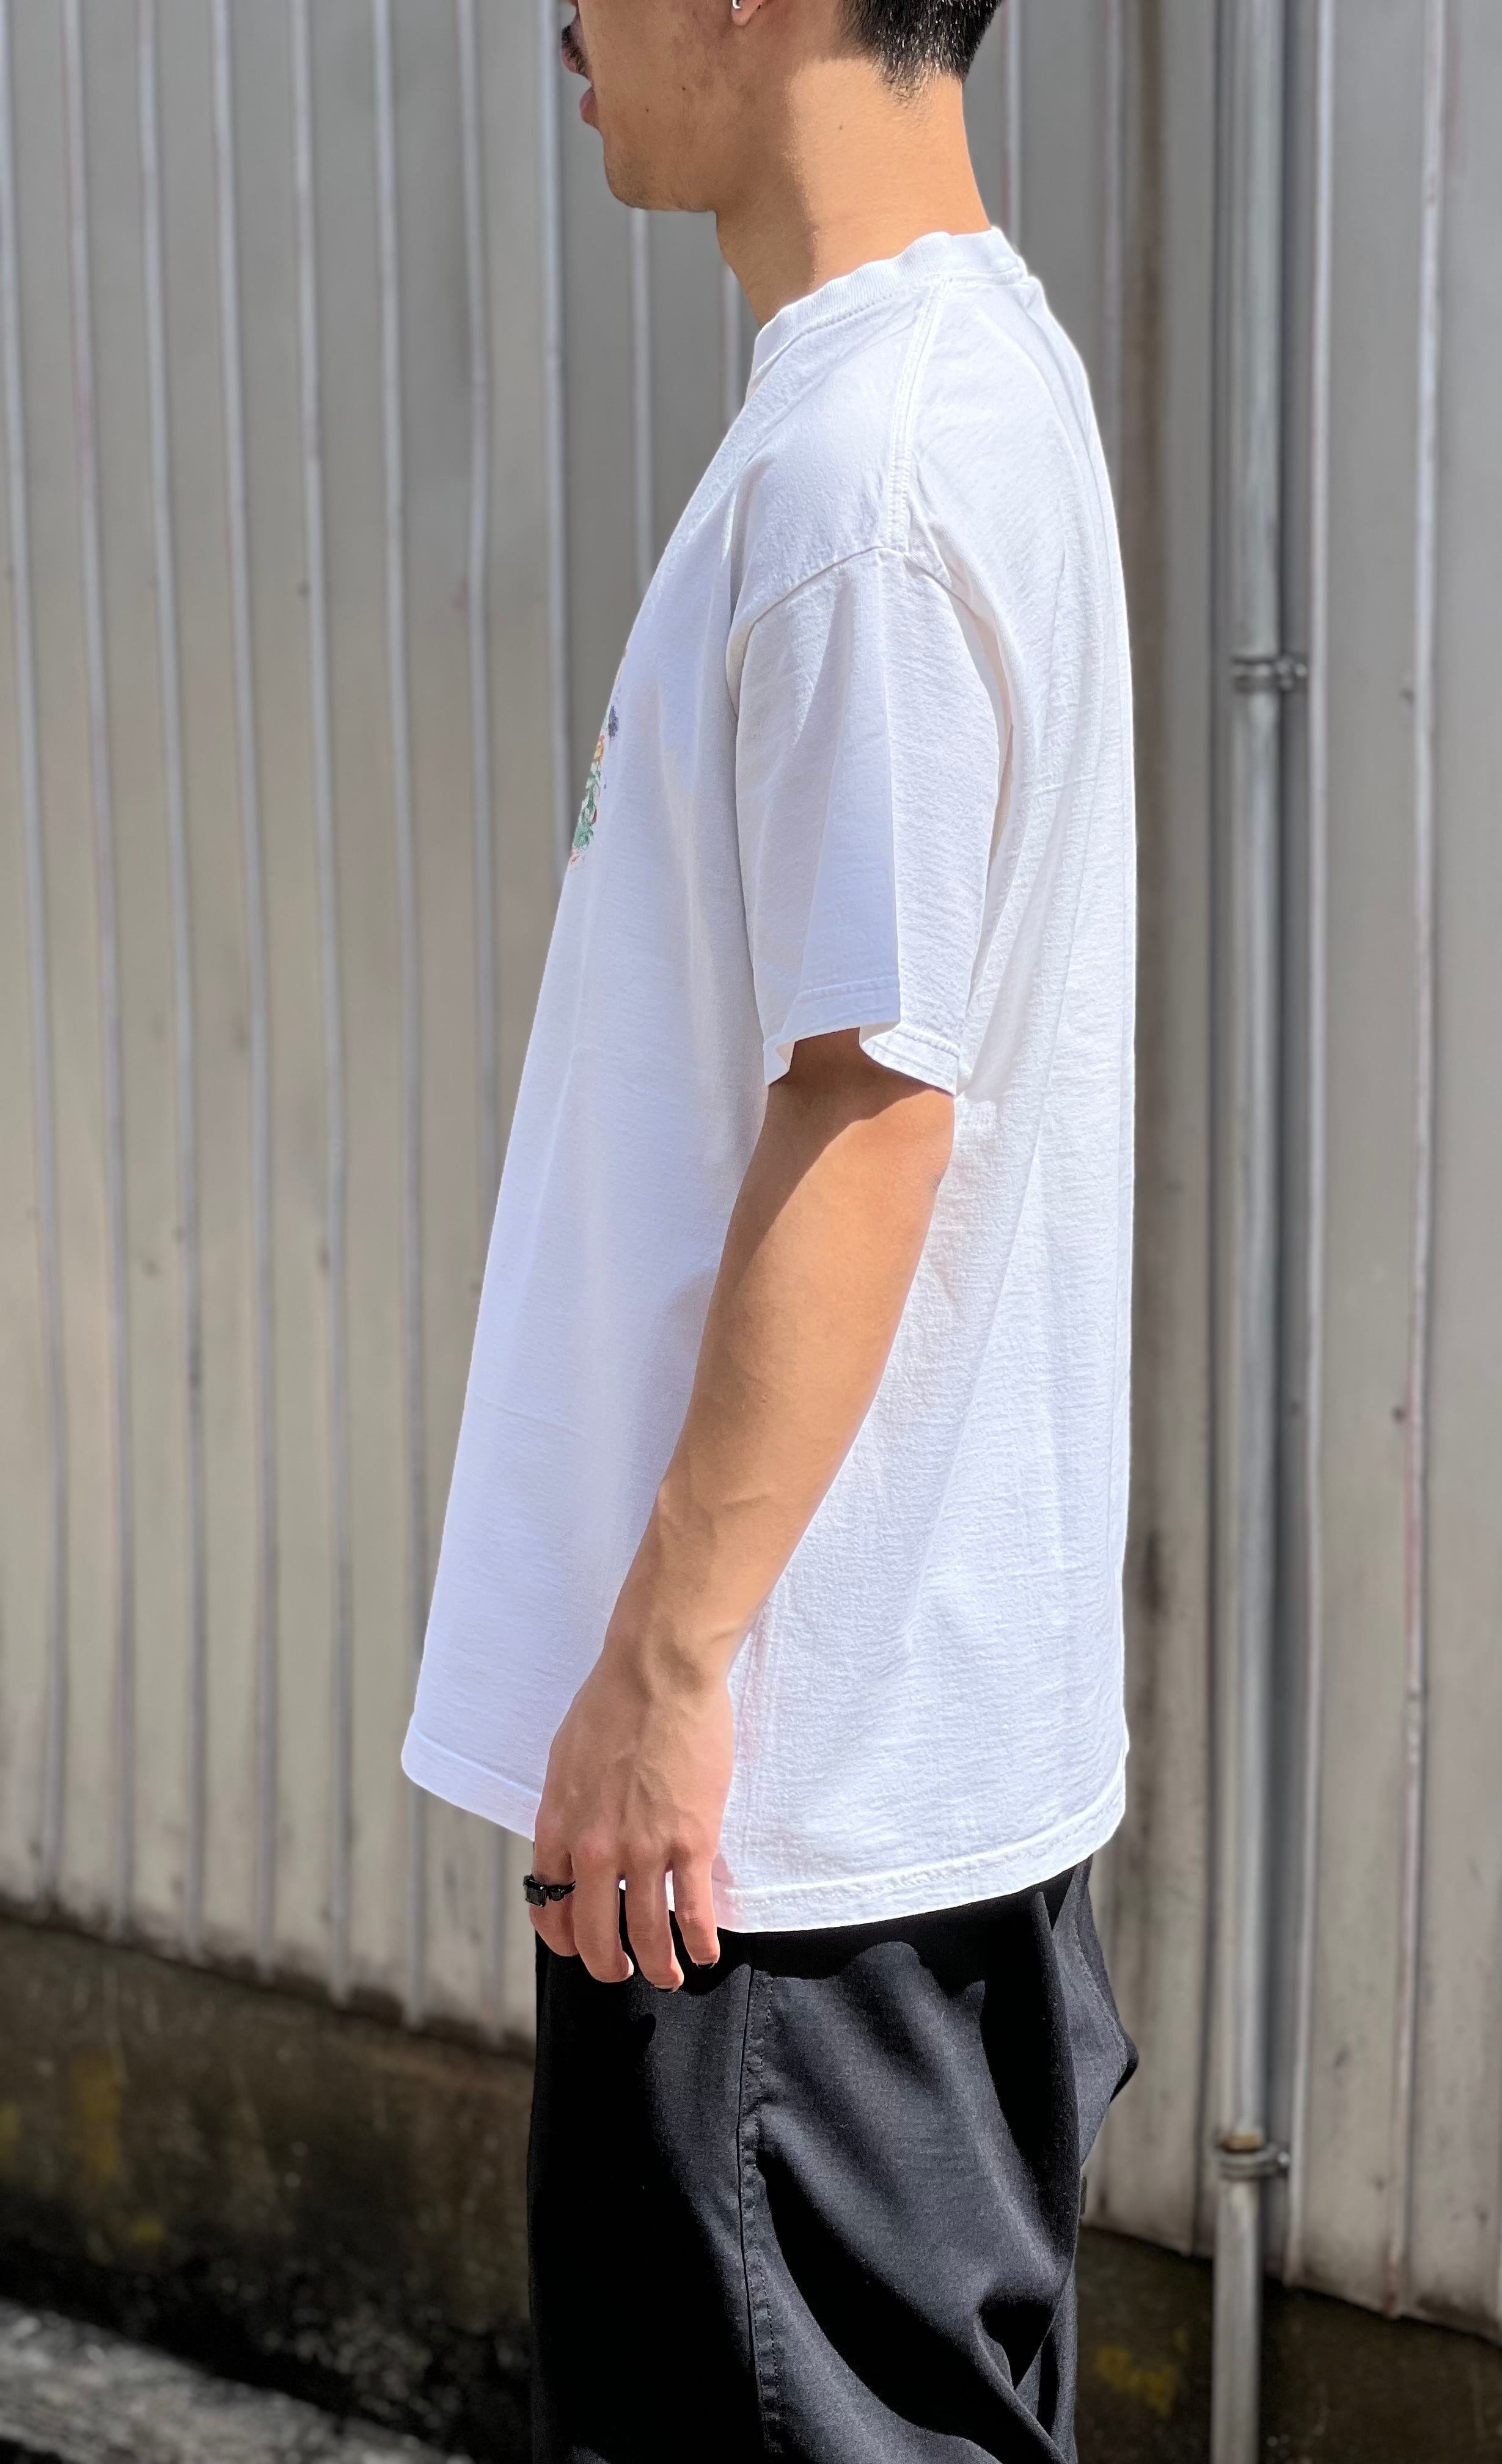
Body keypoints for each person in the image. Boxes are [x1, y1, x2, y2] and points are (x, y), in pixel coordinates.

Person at [401, 0, 1137, 2452]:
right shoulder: (954, 384)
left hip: (780, 1847)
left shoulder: (867, 476)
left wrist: (667, 1663)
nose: (560, 22)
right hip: (853, 1820)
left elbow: (872, 1104)